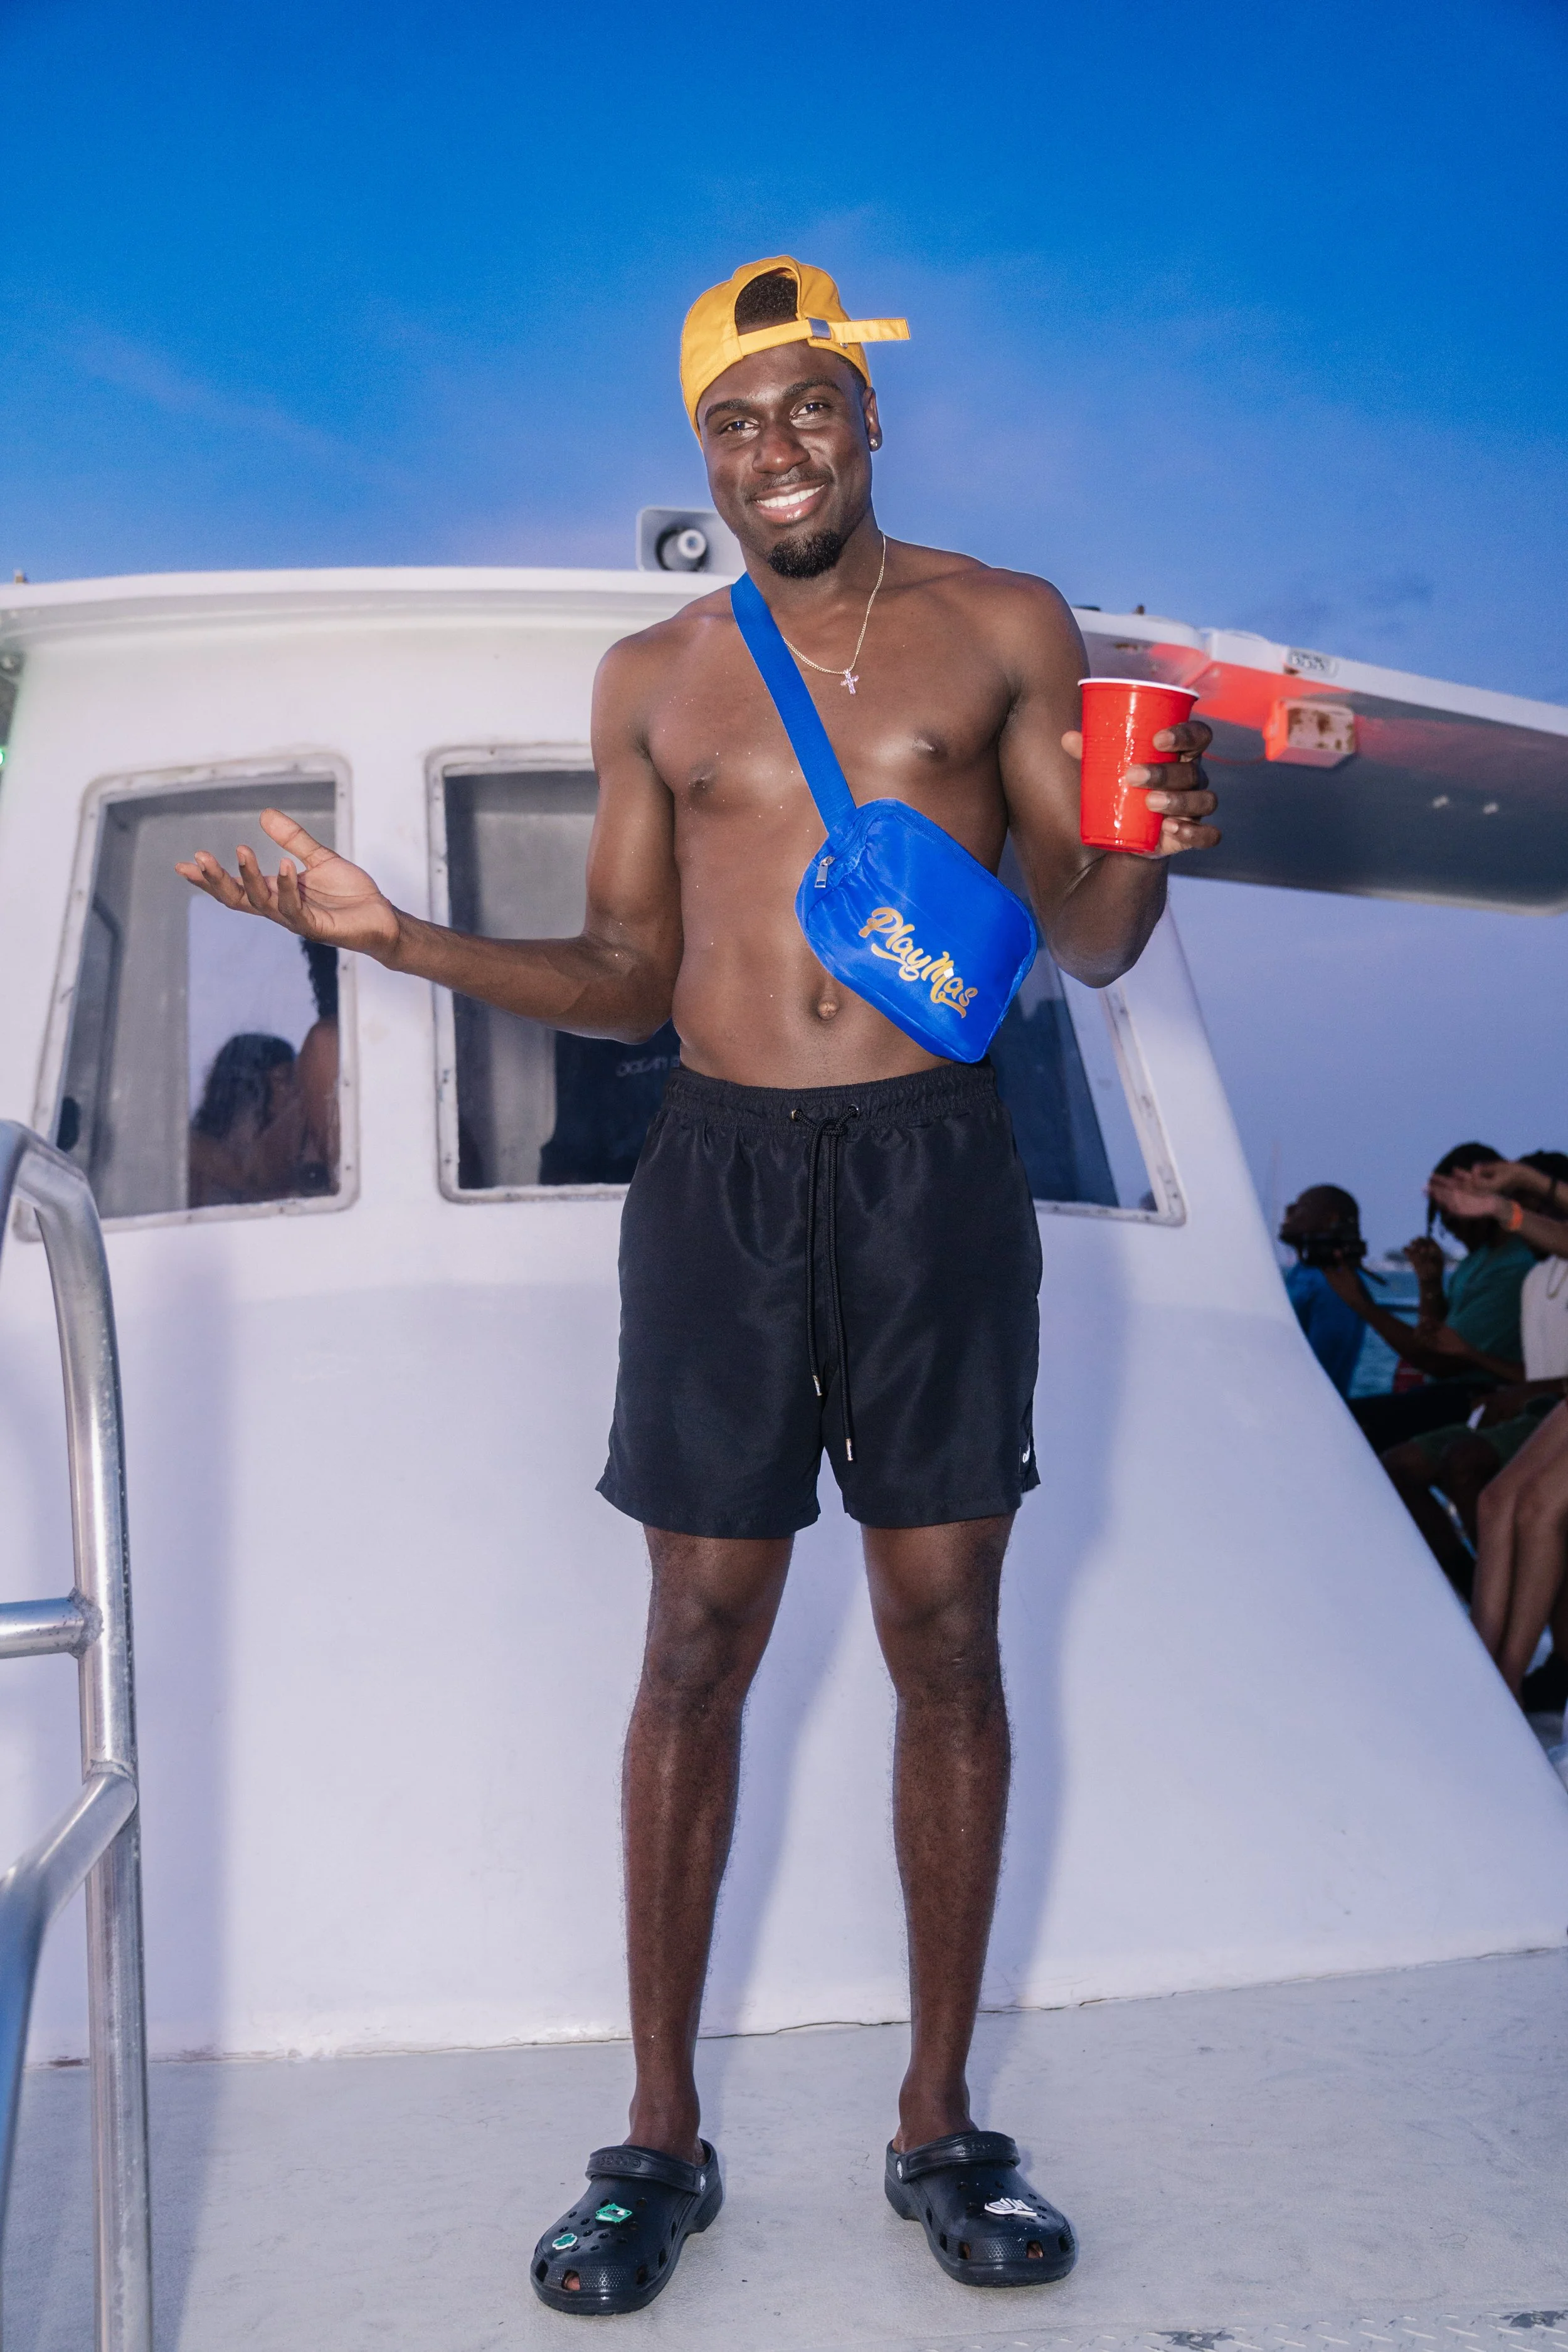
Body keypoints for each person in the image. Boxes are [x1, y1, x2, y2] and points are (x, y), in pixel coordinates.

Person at [176, 254, 1220, 2314]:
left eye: (809, 406)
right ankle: (657, 2138)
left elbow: (1086, 944)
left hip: (936, 1169)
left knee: (947, 1640)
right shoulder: (657, 676)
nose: (776, 450)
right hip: (721, 1179)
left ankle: (938, 2121)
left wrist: (1156, 833)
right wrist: (393, 938)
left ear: (868, 419)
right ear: (702, 454)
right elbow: (628, 984)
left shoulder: (1000, 626)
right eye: (735, 423)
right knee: (693, 1651)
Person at [1325, 1143, 1535, 1594]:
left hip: (1482, 1394)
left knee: (1350, 1430)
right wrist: (1428, 1284)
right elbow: (1436, 1339)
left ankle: (1471, 1584)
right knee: (1353, 1428)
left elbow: (1438, 1360)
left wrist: (1362, 1304)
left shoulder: (1513, 1269)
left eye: (1453, 1211)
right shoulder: (1480, 1263)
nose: (1448, 1224)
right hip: (1458, 1385)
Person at [187, 1032, 305, 1207]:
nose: (294, 1090)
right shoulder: (196, 1147)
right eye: (284, 1079)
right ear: (250, 1085)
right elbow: (251, 1180)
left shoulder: (292, 1146)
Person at [1278, 1184, 1370, 1396]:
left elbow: (1322, 1367)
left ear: (1331, 1219)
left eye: (1302, 1207)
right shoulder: (1302, 1273)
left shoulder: (1334, 1285)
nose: (1289, 1211)